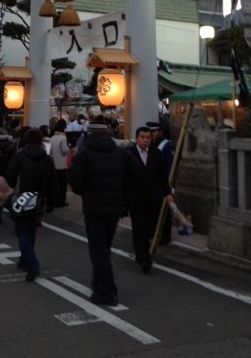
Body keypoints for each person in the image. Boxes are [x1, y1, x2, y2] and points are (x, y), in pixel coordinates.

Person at [68, 118, 141, 306]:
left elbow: (75, 181)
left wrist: (86, 191)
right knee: (104, 247)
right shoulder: (120, 153)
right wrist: (125, 196)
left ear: (89, 134)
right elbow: (137, 174)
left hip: (93, 207)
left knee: (98, 249)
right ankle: (99, 285)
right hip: (115, 207)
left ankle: (107, 292)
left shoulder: (84, 154)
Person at [5, 128, 55, 282]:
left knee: (22, 232)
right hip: (39, 198)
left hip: (22, 197)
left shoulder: (20, 156)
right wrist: (50, 201)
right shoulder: (47, 158)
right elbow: (52, 182)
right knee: (31, 230)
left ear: (26, 141)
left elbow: (10, 176)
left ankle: (32, 263)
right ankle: (25, 260)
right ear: (41, 141)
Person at [126, 126, 173, 273]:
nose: (145, 140)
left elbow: (162, 175)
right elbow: (124, 176)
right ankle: (144, 258)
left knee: (147, 228)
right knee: (139, 228)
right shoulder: (129, 153)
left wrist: (167, 192)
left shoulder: (156, 153)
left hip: (152, 198)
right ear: (137, 138)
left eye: (148, 138)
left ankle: (141, 254)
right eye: (142, 137)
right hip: (135, 198)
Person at [146, 121, 175, 245]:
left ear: (160, 132)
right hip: (152, 183)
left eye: (154, 131)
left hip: (163, 183)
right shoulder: (151, 144)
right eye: (151, 131)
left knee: (164, 211)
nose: (152, 134)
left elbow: (169, 166)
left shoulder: (167, 145)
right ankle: (152, 232)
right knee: (152, 210)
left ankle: (165, 236)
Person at [49, 119, 70, 207]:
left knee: (55, 185)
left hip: (53, 165)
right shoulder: (63, 138)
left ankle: (54, 200)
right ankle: (61, 202)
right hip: (61, 165)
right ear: (64, 128)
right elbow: (65, 151)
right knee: (62, 185)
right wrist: (69, 147)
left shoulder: (52, 138)